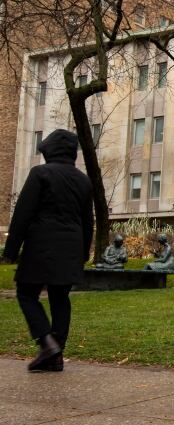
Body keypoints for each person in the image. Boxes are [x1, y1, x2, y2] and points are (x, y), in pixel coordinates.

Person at [1, 129, 94, 372]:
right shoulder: (83, 180)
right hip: (71, 245)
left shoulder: (41, 173)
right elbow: (87, 220)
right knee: (60, 297)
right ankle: (56, 353)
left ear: (50, 150)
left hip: (42, 244)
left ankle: (46, 342)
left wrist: (10, 250)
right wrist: (83, 252)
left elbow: (23, 212)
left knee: (26, 293)